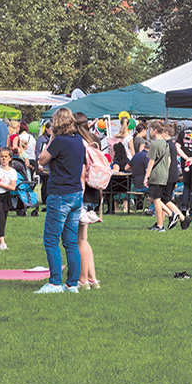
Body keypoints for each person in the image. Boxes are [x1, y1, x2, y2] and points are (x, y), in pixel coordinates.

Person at [35, 108, 85, 294]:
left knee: (51, 240)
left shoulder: (59, 142)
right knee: (71, 241)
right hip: (75, 193)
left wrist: (53, 139)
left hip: (60, 193)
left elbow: (42, 159)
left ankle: (55, 282)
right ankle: (72, 284)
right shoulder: (78, 140)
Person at [76, 119, 102, 290]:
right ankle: (93, 279)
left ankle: (83, 280)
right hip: (94, 194)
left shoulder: (80, 144)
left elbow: (82, 173)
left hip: (84, 194)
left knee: (80, 241)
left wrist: (79, 197)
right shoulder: (94, 141)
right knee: (84, 239)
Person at [143, 122, 183, 231]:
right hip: (164, 174)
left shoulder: (155, 144)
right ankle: (161, 223)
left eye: (150, 130)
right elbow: (169, 160)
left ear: (155, 130)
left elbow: (151, 161)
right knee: (158, 198)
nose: (149, 132)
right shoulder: (167, 144)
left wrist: (147, 176)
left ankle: (169, 216)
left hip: (156, 174)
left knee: (155, 198)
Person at [0, 147, 18, 250]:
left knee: (4, 219)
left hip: (5, 196)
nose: (3, 159)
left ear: (10, 158)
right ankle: (2, 243)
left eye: (6, 157)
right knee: (0, 217)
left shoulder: (12, 172)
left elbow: (12, 187)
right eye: (1, 157)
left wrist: (0, 184)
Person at [125, 137, 149, 213]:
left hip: (136, 185)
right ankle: (152, 209)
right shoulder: (148, 157)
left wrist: (136, 169)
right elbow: (148, 170)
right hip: (144, 185)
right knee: (161, 191)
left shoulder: (136, 155)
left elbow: (126, 168)